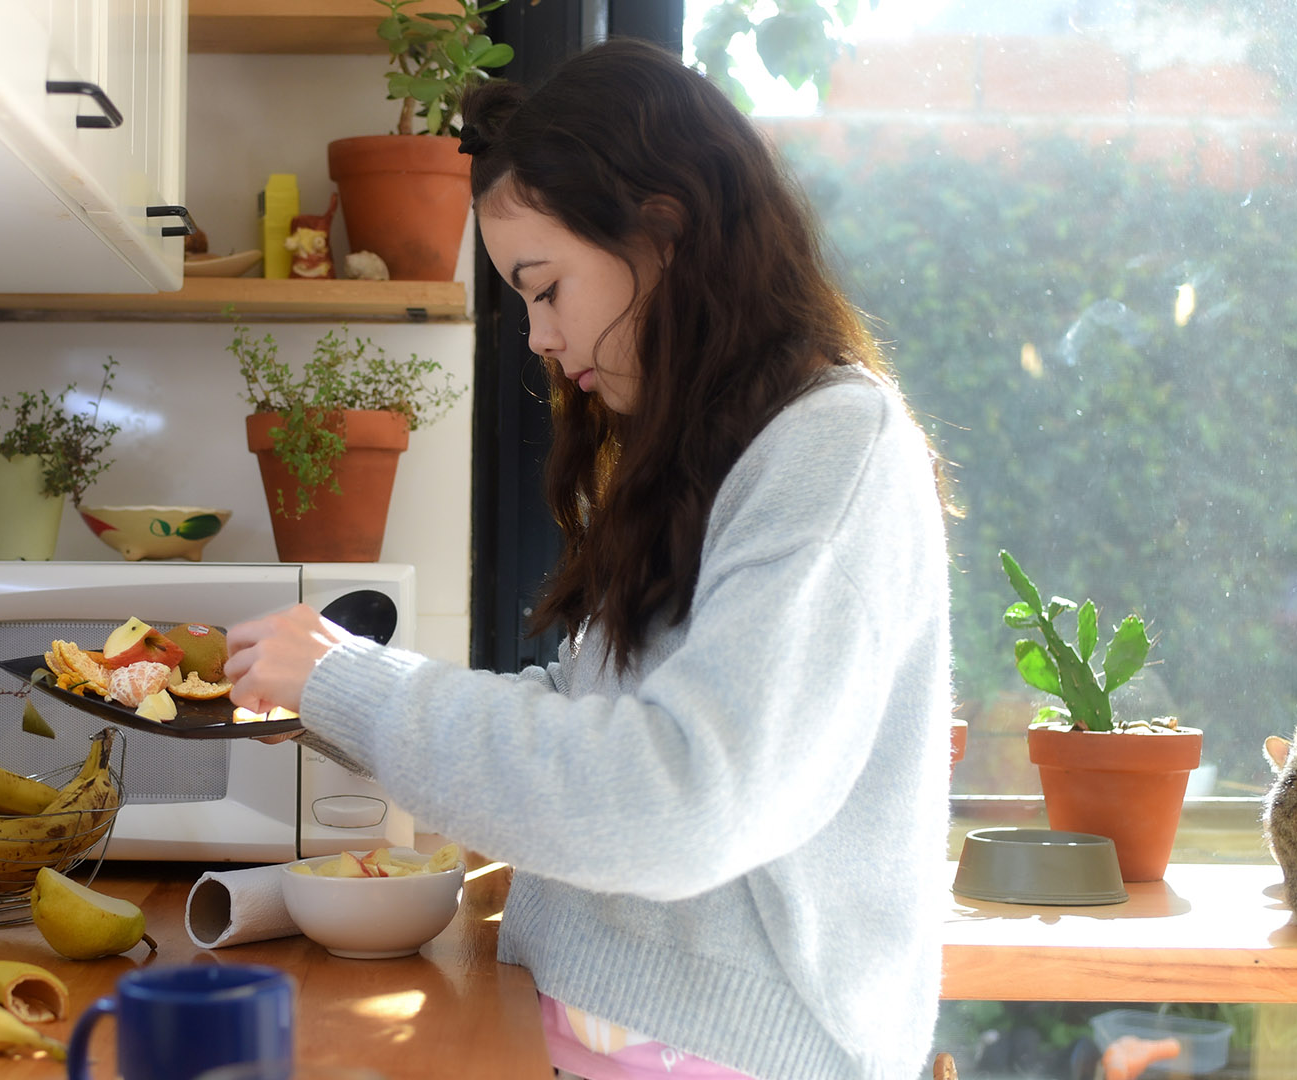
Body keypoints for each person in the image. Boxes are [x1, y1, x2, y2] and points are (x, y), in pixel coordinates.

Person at [225, 38, 952, 1080]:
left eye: (545, 285)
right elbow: (592, 714)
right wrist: (328, 697)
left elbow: (676, 798)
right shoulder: (707, 447)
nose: (535, 335)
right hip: (582, 1026)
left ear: (666, 229)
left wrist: (359, 687)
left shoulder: (832, 451)